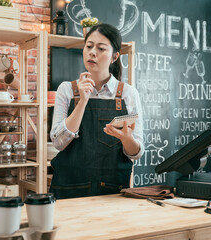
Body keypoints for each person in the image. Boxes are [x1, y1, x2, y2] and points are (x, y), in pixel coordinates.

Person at [49, 23, 144, 199]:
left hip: (112, 193)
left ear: (115, 56)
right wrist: (82, 101)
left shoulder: (128, 94)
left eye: (101, 48)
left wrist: (126, 138)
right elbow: (58, 143)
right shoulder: (67, 90)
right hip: (69, 189)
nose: (93, 52)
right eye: (89, 46)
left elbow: (136, 153)